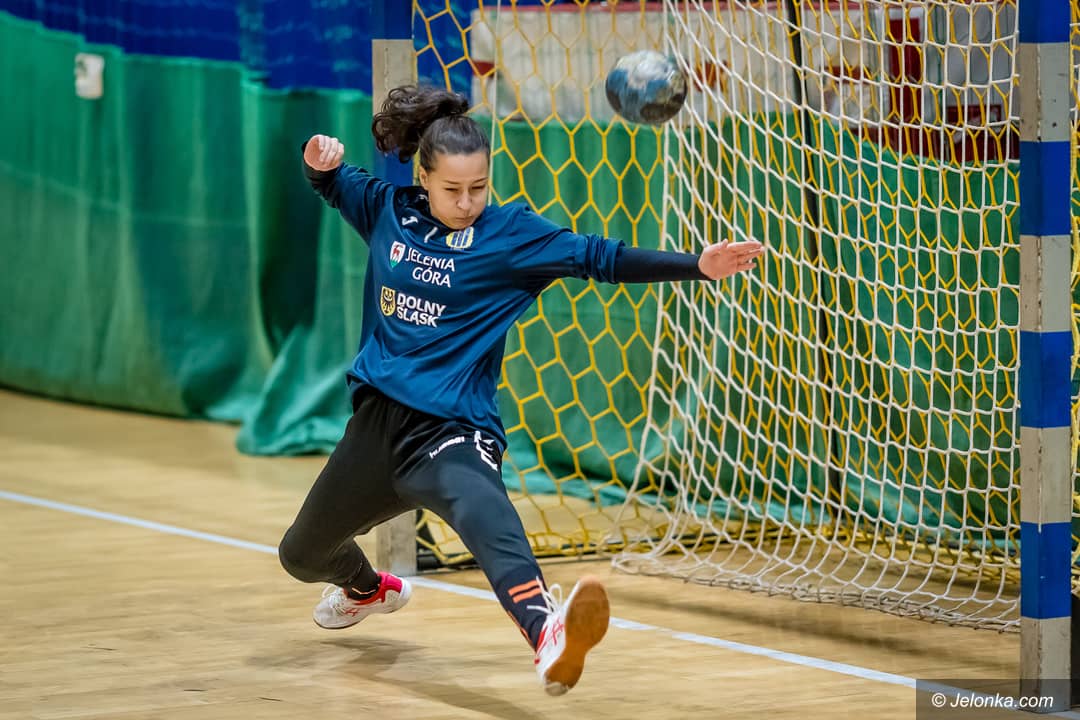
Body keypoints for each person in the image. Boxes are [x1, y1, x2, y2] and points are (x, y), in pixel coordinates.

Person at [277, 84, 764, 696]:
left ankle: (549, 636)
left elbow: (599, 257)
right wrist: (316, 161)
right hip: (375, 431)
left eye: (478, 187)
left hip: (451, 431)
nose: (467, 202)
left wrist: (696, 265)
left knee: (490, 522)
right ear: (423, 177)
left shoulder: (511, 236)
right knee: (300, 554)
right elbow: (331, 183)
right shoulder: (387, 211)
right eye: (452, 189)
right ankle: (369, 590)